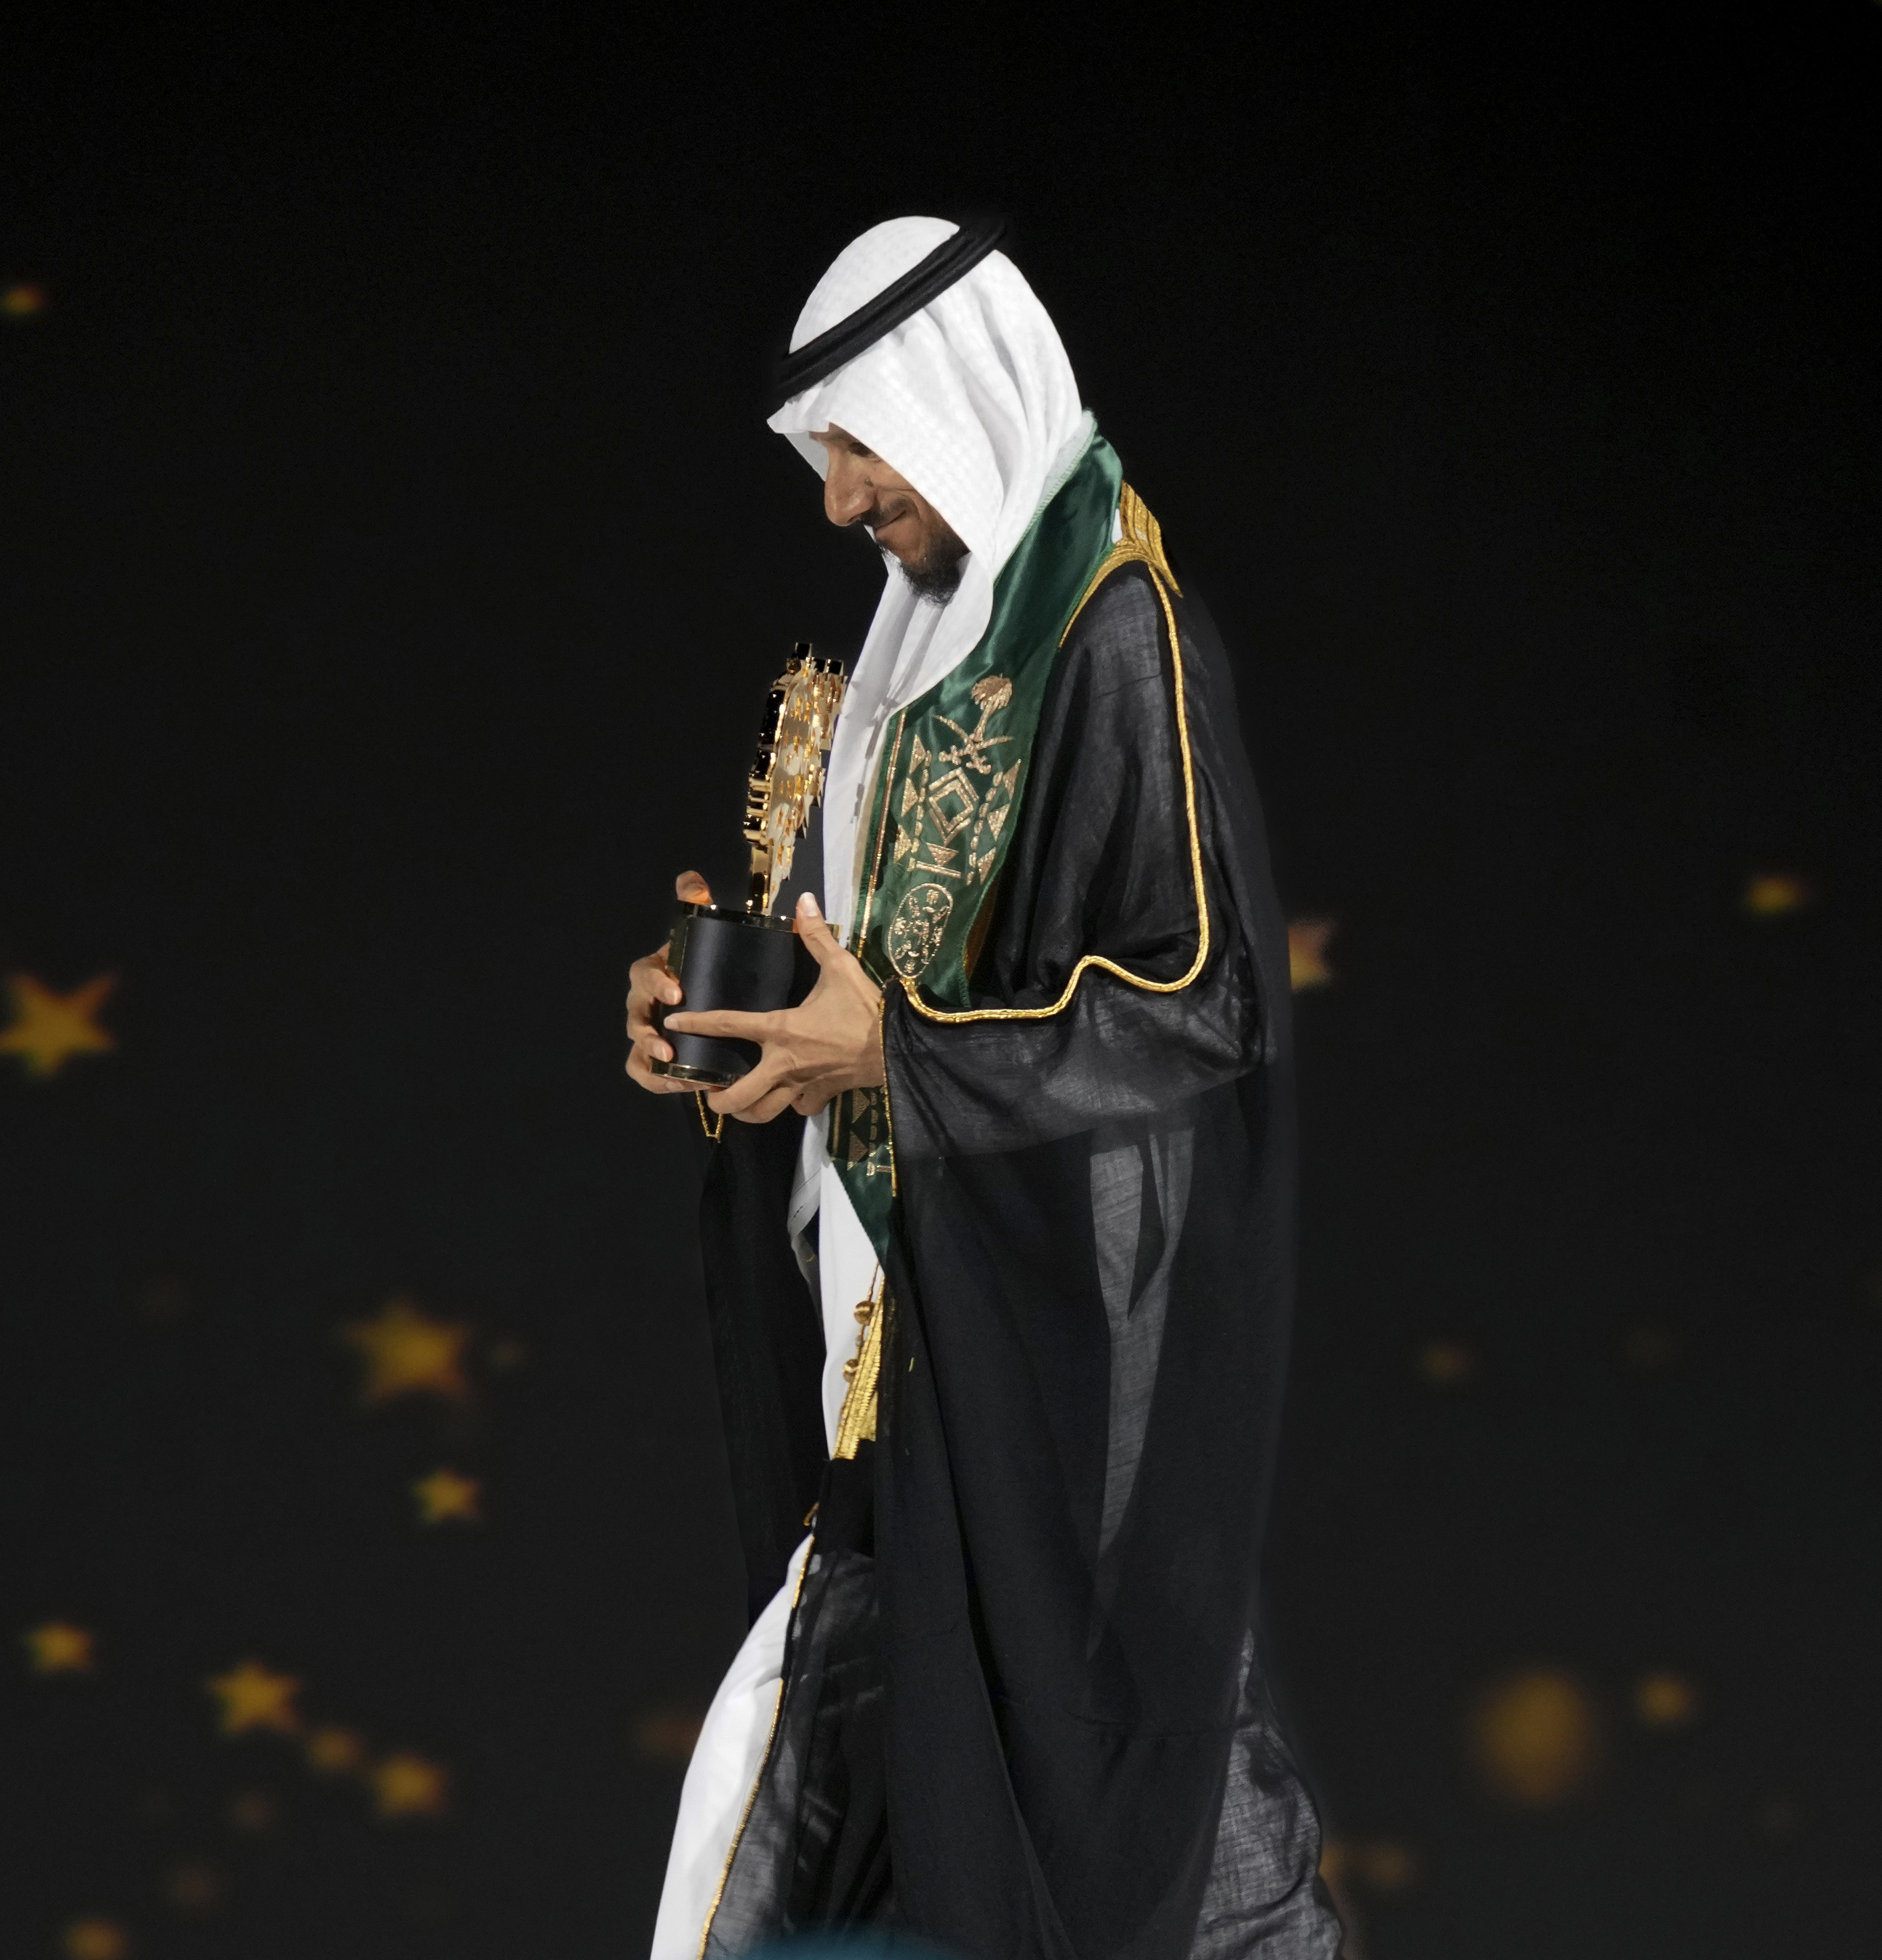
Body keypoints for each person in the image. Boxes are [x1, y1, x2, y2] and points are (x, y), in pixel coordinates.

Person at [621, 216, 1339, 1960]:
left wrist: (895, 1057)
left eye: (859, 447)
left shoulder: (1109, 629)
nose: (841, 499)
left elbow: (1204, 998)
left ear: (953, 407)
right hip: (901, 1312)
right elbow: (865, 938)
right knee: (982, 1752)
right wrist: (716, 1003)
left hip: (1046, 1329)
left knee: (1101, 1767)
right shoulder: (907, 645)